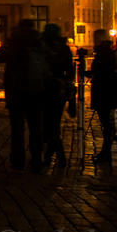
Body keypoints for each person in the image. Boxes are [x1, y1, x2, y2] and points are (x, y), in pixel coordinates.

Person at [0, 19, 49, 172]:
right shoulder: (39, 42)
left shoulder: (14, 42)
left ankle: (18, 160)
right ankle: (37, 160)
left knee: (17, 128)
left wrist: (10, 42)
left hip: (16, 91)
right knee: (36, 128)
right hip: (36, 90)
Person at [41, 24, 74, 168]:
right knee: (53, 124)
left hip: (46, 88)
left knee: (49, 125)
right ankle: (55, 156)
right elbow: (70, 71)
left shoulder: (43, 48)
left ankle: (55, 156)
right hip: (58, 89)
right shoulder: (64, 48)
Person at [88, 29, 117, 163]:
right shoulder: (108, 52)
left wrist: (92, 74)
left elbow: (103, 73)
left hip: (104, 92)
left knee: (107, 123)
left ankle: (106, 153)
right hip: (107, 92)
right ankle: (106, 152)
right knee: (107, 123)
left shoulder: (103, 53)